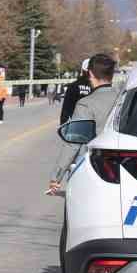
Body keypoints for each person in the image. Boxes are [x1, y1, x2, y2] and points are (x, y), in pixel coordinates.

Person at [47, 53, 118, 195]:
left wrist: (56, 177)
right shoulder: (124, 98)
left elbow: (74, 142)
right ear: (112, 74)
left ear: (90, 73)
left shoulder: (86, 104)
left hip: (94, 167)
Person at [60, 59, 93, 124]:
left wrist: (63, 127)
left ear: (82, 70)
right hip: (94, 127)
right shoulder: (97, 88)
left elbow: (65, 111)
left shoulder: (73, 86)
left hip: (76, 127)